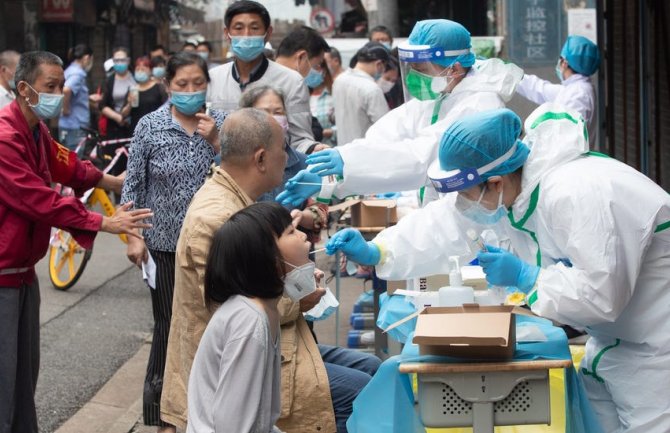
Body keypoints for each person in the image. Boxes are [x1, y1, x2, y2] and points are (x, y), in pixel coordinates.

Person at [327, 105, 670, 433]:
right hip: (615, 343)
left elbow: (601, 295)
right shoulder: (515, 191)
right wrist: (377, 251)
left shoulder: (577, 193)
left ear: (495, 182)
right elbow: (443, 223)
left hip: (658, 345)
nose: (462, 204)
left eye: (465, 193)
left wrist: (528, 277)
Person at [0, 50, 152, 433]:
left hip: (22, 275)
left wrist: (110, 181)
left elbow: (65, 162)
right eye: (51, 86)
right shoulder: (5, 136)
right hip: (3, 275)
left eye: (62, 86)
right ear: (23, 88)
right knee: (3, 380)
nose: (60, 94)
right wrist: (104, 223)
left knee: (22, 376)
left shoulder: (36, 128)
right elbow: (38, 199)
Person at [278, 19, 523, 207]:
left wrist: (347, 163)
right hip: (439, 213)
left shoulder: (480, 104)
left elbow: (422, 156)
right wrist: (329, 175)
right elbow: (385, 136)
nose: (415, 76)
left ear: (455, 69)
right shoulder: (438, 97)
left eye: (421, 68)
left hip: (477, 215)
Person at [160, 108, 288, 429]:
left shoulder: (238, 200)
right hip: (224, 376)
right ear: (260, 159)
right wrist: (302, 291)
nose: (287, 157)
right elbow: (249, 303)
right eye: (283, 149)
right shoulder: (216, 218)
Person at [121, 52, 224, 433]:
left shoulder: (221, 124)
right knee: (168, 328)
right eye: (182, 84)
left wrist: (215, 139)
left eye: (198, 83)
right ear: (168, 86)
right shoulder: (149, 126)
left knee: (215, 328)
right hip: (164, 248)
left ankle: (208, 412)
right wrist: (133, 237)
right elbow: (132, 187)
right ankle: (164, 416)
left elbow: (241, 174)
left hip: (216, 248)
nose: (191, 91)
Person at [186, 202, 291, 433]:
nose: (304, 238)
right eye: (292, 232)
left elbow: (260, 420)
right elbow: (232, 426)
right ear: (267, 257)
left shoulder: (264, 310)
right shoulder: (249, 320)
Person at [208, 1, 325, 154]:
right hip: (223, 173)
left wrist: (317, 149)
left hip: (275, 174)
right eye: (239, 28)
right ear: (227, 34)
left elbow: (300, 139)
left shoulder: (291, 81)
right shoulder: (213, 79)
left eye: (254, 28)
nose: (246, 35)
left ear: (267, 33)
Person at [240, 84, 327, 241]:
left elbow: (321, 210)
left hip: (295, 257)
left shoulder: (304, 163)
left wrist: (303, 216)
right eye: (264, 113)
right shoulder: (232, 164)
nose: (273, 119)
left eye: (278, 112)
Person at [516, 35, 600, 142]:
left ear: (564, 63)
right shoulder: (575, 89)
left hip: (568, 158)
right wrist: (505, 73)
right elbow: (538, 88)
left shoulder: (579, 94)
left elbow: (566, 139)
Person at [332, 42, 389, 147]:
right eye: (384, 67)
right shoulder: (372, 89)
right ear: (379, 64)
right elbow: (385, 129)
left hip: (342, 152)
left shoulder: (339, 80)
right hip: (365, 154)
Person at [58, 44, 94, 150]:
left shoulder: (69, 70)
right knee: (74, 161)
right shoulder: (78, 74)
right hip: (75, 125)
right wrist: (66, 109)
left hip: (67, 124)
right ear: (87, 58)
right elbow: (66, 90)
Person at [120, 56, 168, 133]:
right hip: (136, 131)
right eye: (137, 69)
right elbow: (123, 115)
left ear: (150, 71)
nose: (140, 72)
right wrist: (129, 104)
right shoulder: (132, 89)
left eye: (143, 69)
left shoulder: (159, 88)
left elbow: (168, 107)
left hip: (157, 131)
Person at [310, 61, 336, 146]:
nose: (311, 72)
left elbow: (346, 125)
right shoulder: (301, 96)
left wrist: (328, 132)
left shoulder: (333, 95)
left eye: (315, 68)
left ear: (324, 71)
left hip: (331, 148)